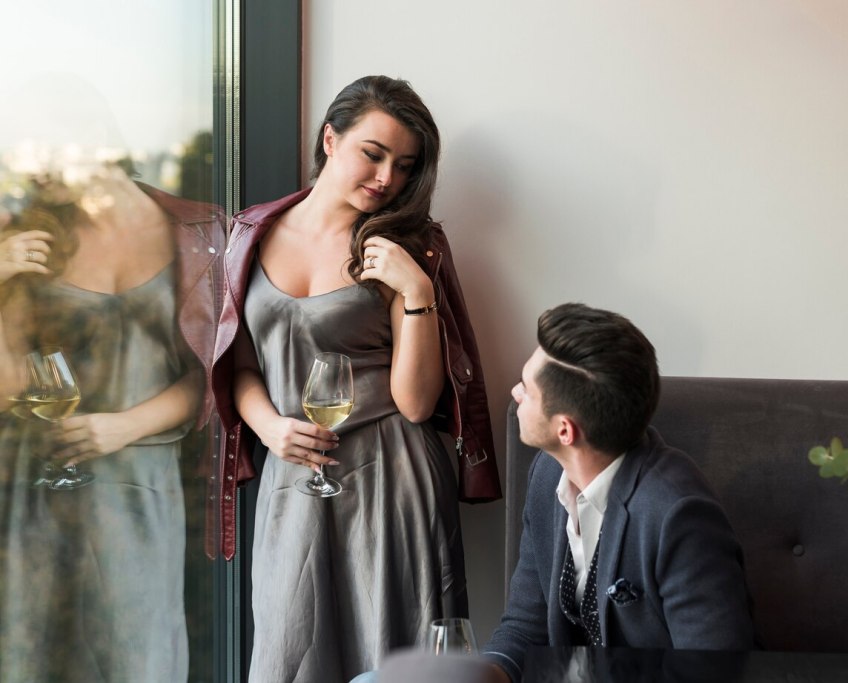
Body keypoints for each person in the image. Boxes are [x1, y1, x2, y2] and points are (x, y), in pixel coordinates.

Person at [210, 75, 500, 682]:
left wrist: (417, 289)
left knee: (390, 655)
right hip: (294, 474)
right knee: (289, 653)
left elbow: (417, 404)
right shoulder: (251, 233)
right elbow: (240, 363)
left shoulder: (407, 246)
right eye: (373, 153)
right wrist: (269, 429)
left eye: (404, 165)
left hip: (391, 477)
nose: (387, 178)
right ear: (330, 140)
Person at [0, 129, 225, 679]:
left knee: (139, 656)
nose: (35, 164)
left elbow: (212, 375)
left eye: (46, 143)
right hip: (41, 482)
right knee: (40, 655)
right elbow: (7, 387)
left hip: (143, 482)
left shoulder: (195, 230)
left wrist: (122, 427)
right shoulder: (26, 233)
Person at [482, 303, 755, 683]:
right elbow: (524, 628)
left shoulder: (677, 514)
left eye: (527, 389)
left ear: (565, 430)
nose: (515, 393)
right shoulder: (547, 475)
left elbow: (715, 673)